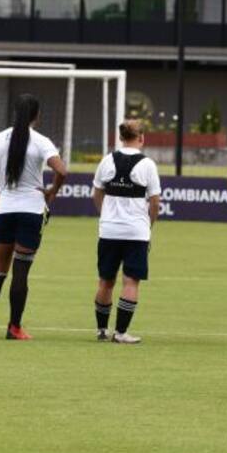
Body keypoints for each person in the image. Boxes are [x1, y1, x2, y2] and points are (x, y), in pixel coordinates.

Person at [0, 93, 67, 339]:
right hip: (31, 210)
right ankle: (14, 328)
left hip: (4, 210)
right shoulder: (41, 141)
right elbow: (62, 170)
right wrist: (52, 192)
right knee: (21, 271)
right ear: (37, 115)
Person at [92, 120, 161, 344]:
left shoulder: (107, 160)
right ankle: (121, 333)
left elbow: (96, 194)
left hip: (109, 230)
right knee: (130, 282)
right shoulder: (148, 164)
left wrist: (107, 216)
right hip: (136, 232)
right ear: (141, 138)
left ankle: (101, 330)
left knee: (105, 281)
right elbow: (155, 201)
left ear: (121, 137)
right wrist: (148, 225)